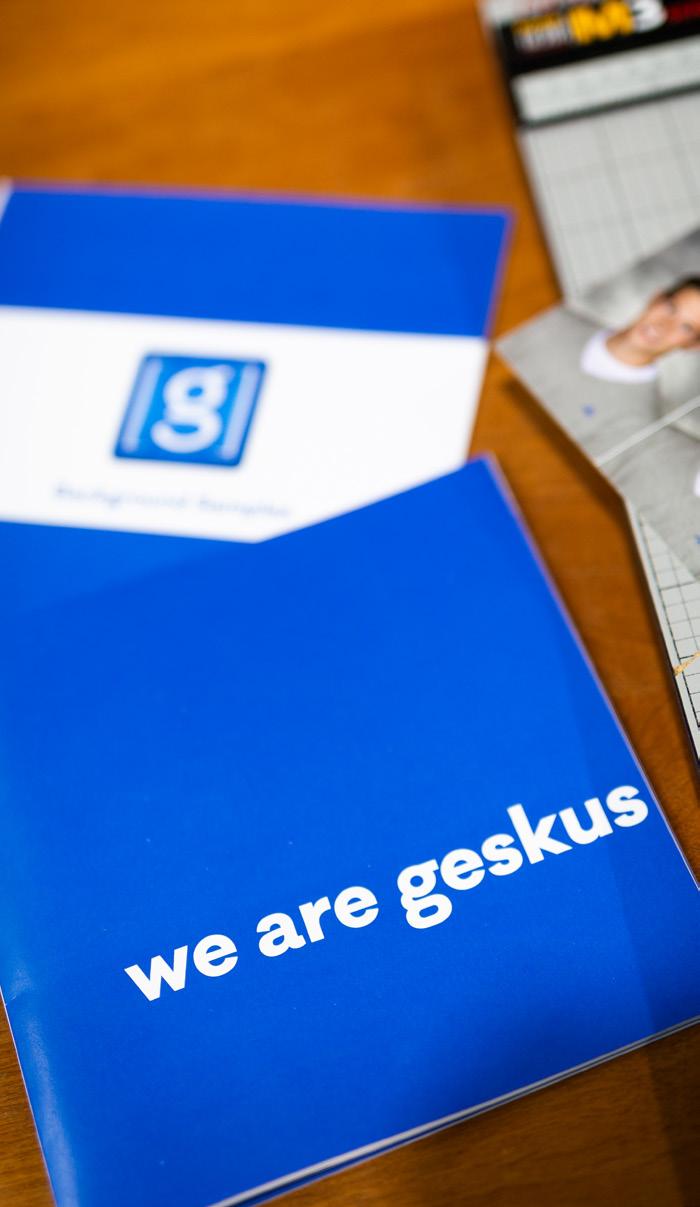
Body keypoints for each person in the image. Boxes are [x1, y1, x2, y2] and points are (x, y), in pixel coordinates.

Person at [499, 278, 700, 464]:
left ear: (693, 345)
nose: (664, 325)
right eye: (671, 308)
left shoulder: (635, 422)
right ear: (656, 299)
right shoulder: (553, 322)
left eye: (686, 327)